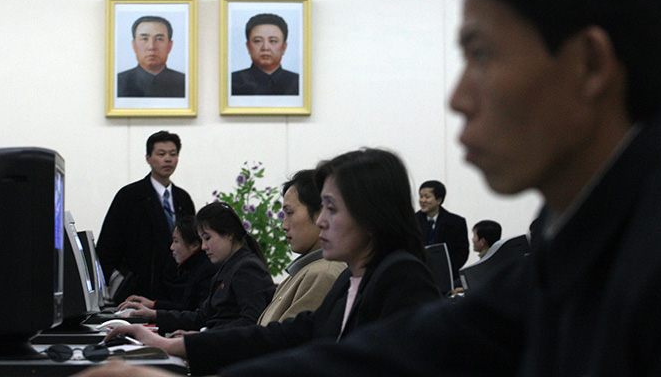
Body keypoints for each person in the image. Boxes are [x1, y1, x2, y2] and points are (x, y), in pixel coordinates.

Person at [207, 0, 661, 376]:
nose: (458, 98)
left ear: (590, 65)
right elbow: (417, 347)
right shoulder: (588, 224)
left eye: (480, 54)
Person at [91, 148, 440, 376]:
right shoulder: (352, 280)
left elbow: (333, 361)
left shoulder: (401, 277)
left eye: (331, 209)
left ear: (371, 213)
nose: (321, 222)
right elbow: (281, 336)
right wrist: (173, 346)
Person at [96, 131, 195, 301]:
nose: (168, 159)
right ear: (148, 158)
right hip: (138, 288)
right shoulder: (129, 196)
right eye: (161, 154)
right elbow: (107, 245)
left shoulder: (182, 199)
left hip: (177, 288)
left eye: (173, 154)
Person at [150, 201, 275, 335]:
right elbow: (201, 317)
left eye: (207, 238)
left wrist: (203, 336)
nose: (203, 247)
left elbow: (251, 322)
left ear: (229, 234)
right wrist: (153, 315)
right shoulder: (227, 267)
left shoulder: (247, 268)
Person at [257, 169, 347, 325]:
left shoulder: (322, 274)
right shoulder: (306, 270)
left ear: (321, 214)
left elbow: (284, 342)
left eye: (290, 213)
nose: (284, 226)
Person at [116, 216, 219, 313]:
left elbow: (195, 315)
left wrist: (153, 313)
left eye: (176, 241)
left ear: (194, 245)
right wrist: (153, 305)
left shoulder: (205, 271)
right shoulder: (196, 269)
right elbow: (186, 308)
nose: (172, 247)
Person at [231, 13, 299, 96]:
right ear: (248, 47)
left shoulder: (298, 82)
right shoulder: (232, 82)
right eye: (258, 41)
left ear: (284, 47)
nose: (265, 47)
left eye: (273, 41)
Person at [118, 15, 185, 98]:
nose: (152, 47)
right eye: (144, 39)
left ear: (170, 46)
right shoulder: (117, 82)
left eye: (159, 39)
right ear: (134, 45)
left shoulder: (185, 82)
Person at [415, 180, 469, 280]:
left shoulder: (456, 222)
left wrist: (446, 270)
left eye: (427, 197)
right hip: (418, 275)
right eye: (421, 196)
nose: (423, 200)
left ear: (439, 200)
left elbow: (462, 252)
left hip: (447, 276)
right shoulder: (412, 221)